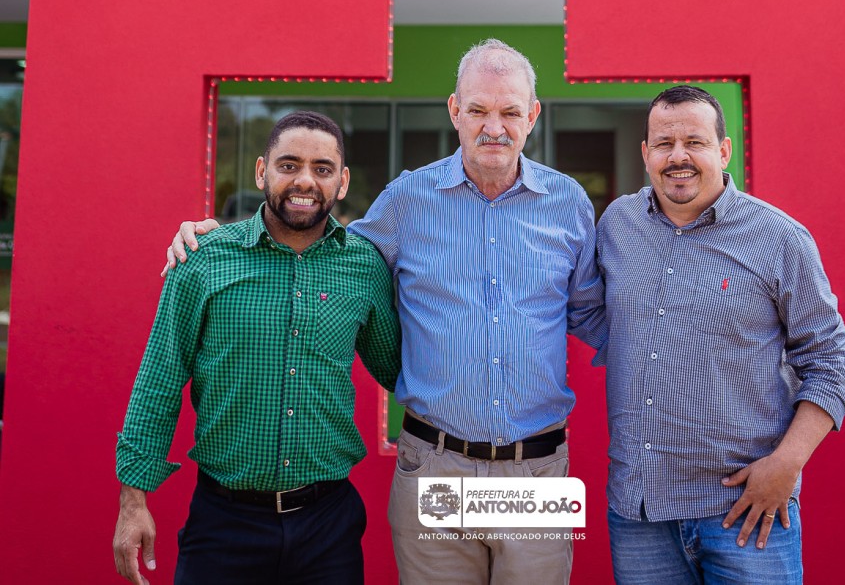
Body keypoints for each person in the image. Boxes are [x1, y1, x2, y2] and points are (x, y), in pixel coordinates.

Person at [167, 40, 606, 585]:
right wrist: (222, 240)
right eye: (478, 110)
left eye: (511, 112)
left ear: (533, 115)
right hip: (436, 467)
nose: (494, 127)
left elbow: (593, 312)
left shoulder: (569, 203)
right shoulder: (406, 200)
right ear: (455, 111)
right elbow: (329, 257)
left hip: (536, 471)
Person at [114, 111, 401, 585]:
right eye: (289, 165)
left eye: (322, 169)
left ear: (342, 182)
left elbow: (400, 370)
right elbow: (159, 380)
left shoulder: (363, 266)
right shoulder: (203, 259)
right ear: (261, 171)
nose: (305, 181)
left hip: (328, 525)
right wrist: (133, 501)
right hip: (224, 524)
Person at [596, 85, 845, 585]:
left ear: (724, 149)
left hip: (747, 510)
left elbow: (830, 361)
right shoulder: (617, 226)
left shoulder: (779, 238)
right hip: (639, 512)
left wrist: (787, 464)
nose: (678, 156)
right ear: (646, 153)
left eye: (694, 141)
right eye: (664, 143)